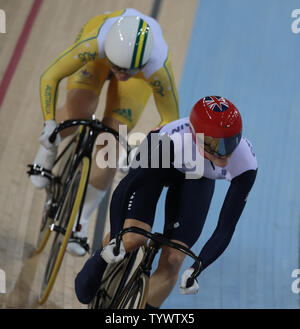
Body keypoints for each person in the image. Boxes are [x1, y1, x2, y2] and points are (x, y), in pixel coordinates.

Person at [74, 96, 258, 309]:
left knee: (174, 259)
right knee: (134, 236)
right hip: (159, 159)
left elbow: (226, 226)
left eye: (232, 142)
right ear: (196, 137)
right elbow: (126, 188)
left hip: (197, 175)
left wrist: (197, 268)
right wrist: (116, 236)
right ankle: (99, 262)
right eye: (218, 145)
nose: (226, 153)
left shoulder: (246, 162)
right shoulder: (171, 141)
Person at [29, 8, 179, 256]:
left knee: (110, 144)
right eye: (117, 68)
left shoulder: (158, 67)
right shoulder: (95, 42)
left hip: (138, 80)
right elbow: (50, 76)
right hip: (98, 60)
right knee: (79, 111)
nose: (120, 75)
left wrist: (142, 153)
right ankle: (48, 148)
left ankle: (80, 222)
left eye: (127, 70)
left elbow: (170, 121)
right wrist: (49, 123)